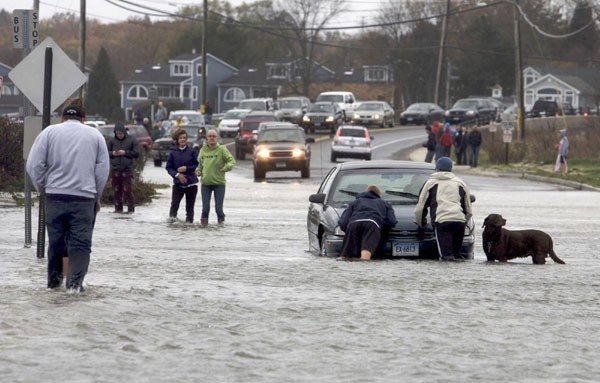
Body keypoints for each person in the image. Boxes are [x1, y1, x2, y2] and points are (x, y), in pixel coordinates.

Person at [26, 98, 110, 291]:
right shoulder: (95, 135)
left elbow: (33, 165)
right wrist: (96, 197)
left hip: (54, 197)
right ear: (85, 118)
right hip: (83, 199)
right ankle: (74, 287)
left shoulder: (49, 132)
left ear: (62, 118)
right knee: (80, 245)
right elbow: (102, 170)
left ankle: (54, 285)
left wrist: (43, 189)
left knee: (56, 244)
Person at [414, 157, 472, 261]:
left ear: (437, 169)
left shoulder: (430, 183)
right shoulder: (460, 183)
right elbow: (468, 209)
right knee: (457, 256)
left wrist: (421, 222)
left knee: (446, 258)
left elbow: (420, 207)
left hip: (442, 222)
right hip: (459, 223)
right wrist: (464, 221)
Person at [337, 185, 398, 261]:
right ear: (379, 195)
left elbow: (343, 222)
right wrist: (381, 232)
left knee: (345, 255)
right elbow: (391, 222)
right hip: (372, 224)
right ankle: (364, 271)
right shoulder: (384, 203)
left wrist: (348, 231)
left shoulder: (355, 202)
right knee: (366, 252)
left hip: (353, 224)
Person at [195, 129, 236, 226]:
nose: (212, 138)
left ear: (217, 138)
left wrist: (226, 167)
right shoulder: (203, 150)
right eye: (210, 136)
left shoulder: (222, 149)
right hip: (205, 184)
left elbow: (231, 161)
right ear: (206, 138)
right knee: (205, 209)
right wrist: (198, 171)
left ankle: (221, 226)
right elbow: (199, 165)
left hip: (219, 184)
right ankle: (204, 228)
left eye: (214, 136)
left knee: (219, 209)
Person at [166, 128, 199, 223]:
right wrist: (177, 175)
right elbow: (168, 167)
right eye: (180, 138)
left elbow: (198, 165)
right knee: (174, 205)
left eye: (184, 137)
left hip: (191, 184)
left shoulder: (192, 151)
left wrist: (187, 169)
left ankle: (189, 225)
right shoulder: (173, 152)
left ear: (187, 139)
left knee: (190, 207)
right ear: (177, 140)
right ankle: (172, 225)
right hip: (177, 184)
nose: (182, 139)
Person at [108, 122, 139, 213]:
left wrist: (125, 153)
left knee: (128, 191)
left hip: (127, 169)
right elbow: (106, 152)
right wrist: (113, 153)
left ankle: (131, 210)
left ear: (124, 132)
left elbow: (136, 153)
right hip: (115, 170)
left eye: (121, 133)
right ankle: (118, 210)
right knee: (116, 192)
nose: (119, 135)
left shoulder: (132, 140)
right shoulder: (112, 141)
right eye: (117, 134)